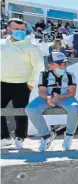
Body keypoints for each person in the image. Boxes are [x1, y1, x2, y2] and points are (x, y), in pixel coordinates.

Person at [1, 18, 45, 148]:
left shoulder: (31, 47)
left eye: (22, 30)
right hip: (2, 83)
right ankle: (4, 137)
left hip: (22, 84)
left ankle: (20, 136)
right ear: (8, 29)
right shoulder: (1, 44)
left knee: (20, 111)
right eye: (16, 29)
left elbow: (39, 67)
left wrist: (31, 83)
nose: (20, 32)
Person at [25, 52, 78, 151]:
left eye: (64, 63)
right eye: (59, 64)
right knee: (30, 109)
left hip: (65, 97)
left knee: (75, 107)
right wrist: (48, 97)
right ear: (50, 65)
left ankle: (69, 135)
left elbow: (72, 93)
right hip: (47, 98)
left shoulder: (70, 75)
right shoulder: (44, 74)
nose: (63, 66)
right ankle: (46, 136)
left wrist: (60, 97)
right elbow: (41, 91)